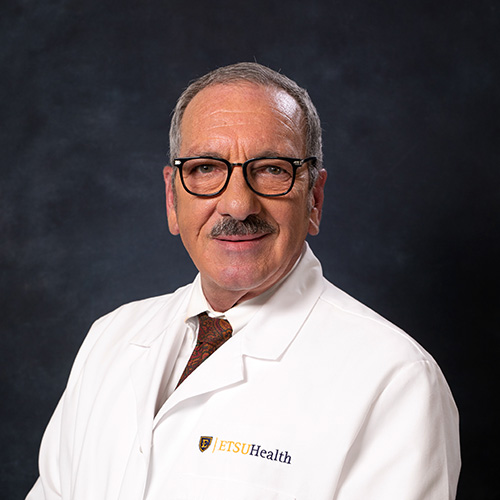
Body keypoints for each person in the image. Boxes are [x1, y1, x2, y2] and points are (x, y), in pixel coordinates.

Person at [27, 62, 460, 500]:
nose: (237, 204)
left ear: (314, 199)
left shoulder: (395, 380)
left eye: (271, 169)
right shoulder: (109, 339)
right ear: (172, 199)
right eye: (206, 168)